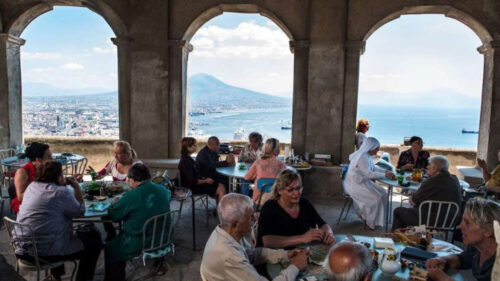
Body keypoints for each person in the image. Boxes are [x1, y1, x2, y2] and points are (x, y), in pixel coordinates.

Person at [13, 160, 101, 281]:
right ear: (58, 176)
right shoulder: (61, 192)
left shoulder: (31, 187)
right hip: (43, 254)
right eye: (62, 174)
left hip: (22, 249)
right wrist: (76, 188)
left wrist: (62, 184)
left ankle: (57, 276)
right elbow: (80, 211)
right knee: (94, 242)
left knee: (56, 231)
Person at [200, 193, 310, 281]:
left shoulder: (228, 231)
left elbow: (252, 254)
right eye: (250, 217)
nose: (255, 220)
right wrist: (295, 266)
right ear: (235, 224)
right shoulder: (228, 255)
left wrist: (285, 255)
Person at [104, 163, 171, 281]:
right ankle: (159, 262)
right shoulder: (163, 189)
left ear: (134, 180)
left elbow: (114, 215)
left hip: (142, 240)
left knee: (110, 248)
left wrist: (114, 203)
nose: (129, 181)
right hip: (163, 236)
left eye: (129, 179)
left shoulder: (132, 195)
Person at [257, 169, 335, 248]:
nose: (296, 193)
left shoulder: (304, 204)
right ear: (280, 191)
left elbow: (322, 224)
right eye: (290, 190)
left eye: (298, 188)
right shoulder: (269, 208)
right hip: (273, 256)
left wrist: (328, 233)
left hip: (299, 252)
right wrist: (302, 238)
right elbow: (266, 241)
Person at [426, 198, 500, 281]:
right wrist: (443, 260)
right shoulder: (478, 248)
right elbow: (462, 259)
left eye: (467, 223)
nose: (461, 226)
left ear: (488, 230)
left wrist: (443, 278)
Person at [391, 155, 462, 231]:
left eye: (429, 165)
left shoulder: (431, 182)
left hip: (430, 220)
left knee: (398, 211)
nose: (427, 167)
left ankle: (397, 238)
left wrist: (412, 194)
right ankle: (411, 235)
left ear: (435, 168)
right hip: (450, 221)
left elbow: (413, 202)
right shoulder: (454, 178)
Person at [344, 137, 395, 230]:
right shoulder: (362, 157)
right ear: (371, 147)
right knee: (375, 199)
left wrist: (385, 171)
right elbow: (369, 174)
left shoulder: (367, 156)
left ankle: (378, 220)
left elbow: (373, 168)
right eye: (377, 148)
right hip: (355, 185)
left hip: (363, 182)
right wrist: (385, 175)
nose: (378, 150)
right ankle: (369, 221)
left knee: (383, 193)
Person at [178, 137, 226, 203]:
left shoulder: (186, 158)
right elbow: (192, 181)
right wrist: (205, 181)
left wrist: (205, 179)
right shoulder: (186, 162)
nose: (196, 146)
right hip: (193, 188)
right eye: (194, 145)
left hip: (195, 185)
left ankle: (218, 207)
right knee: (221, 188)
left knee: (219, 183)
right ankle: (221, 211)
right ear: (188, 147)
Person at [10, 142, 52, 213]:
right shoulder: (22, 172)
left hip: (43, 203)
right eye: (49, 157)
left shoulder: (48, 169)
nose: (52, 159)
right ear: (38, 160)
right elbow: (21, 198)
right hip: (27, 208)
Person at [244, 138, 286, 204]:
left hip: (260, 199)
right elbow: (284, 181)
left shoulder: (258, 162)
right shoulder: (282, 165)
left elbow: (247, 177)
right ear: (277, 149)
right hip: (277, 198)